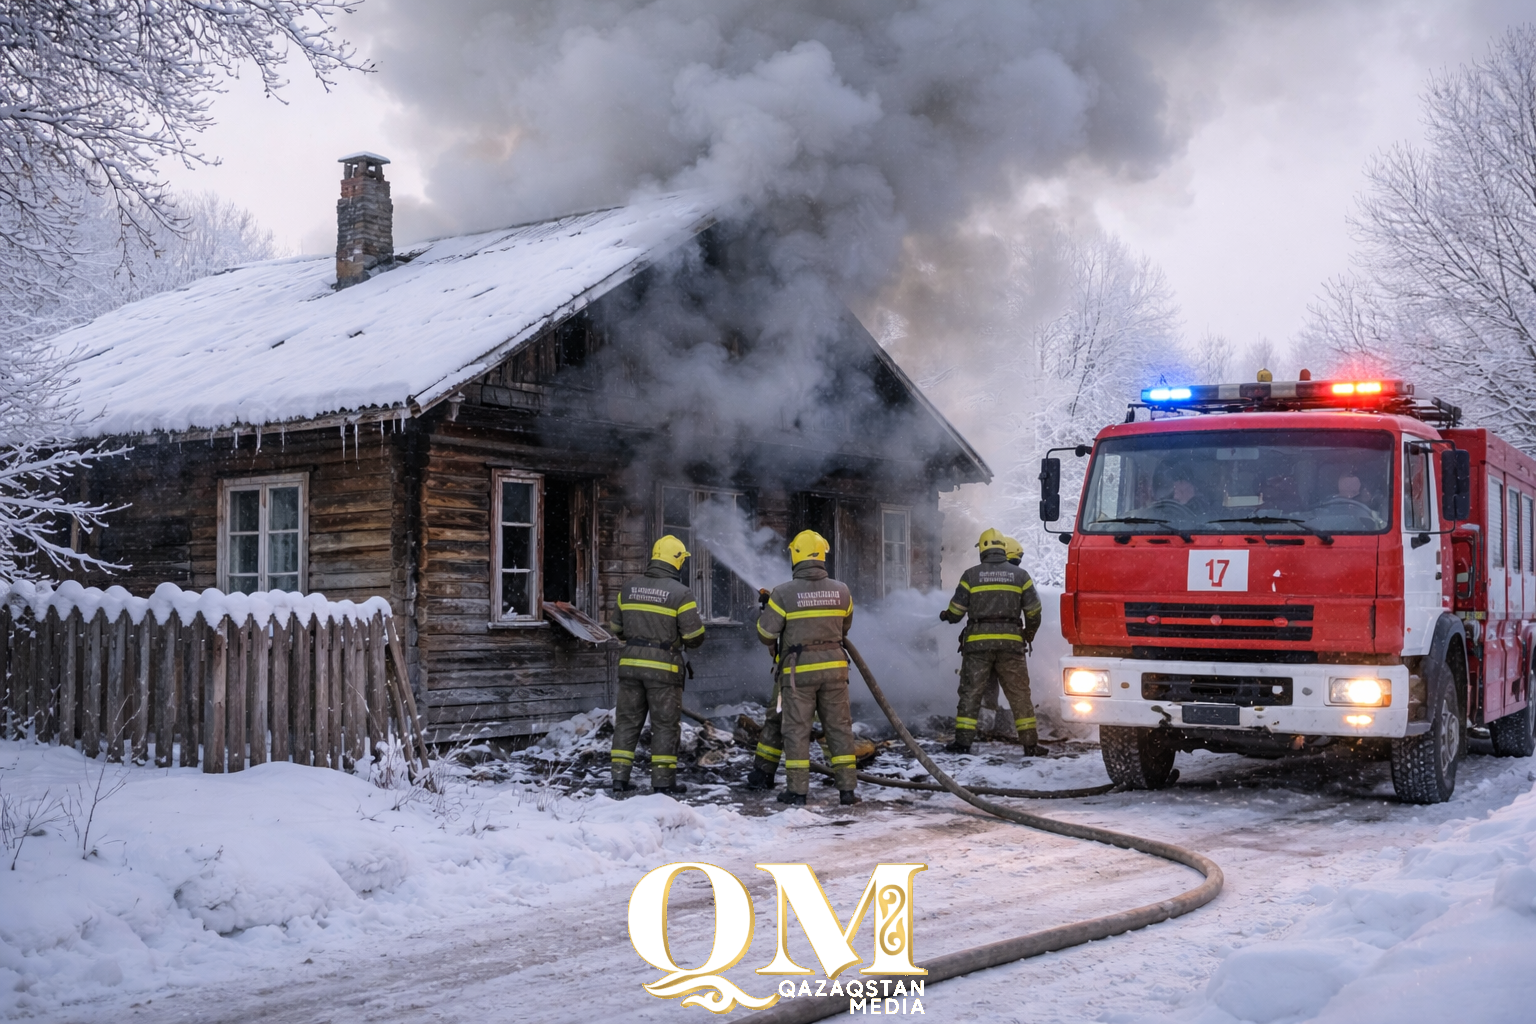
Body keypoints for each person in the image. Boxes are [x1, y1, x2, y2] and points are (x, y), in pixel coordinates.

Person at [756, 530, 859, 807]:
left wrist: (768, 610)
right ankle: (847, 790)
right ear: (822, 556)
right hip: (836, 670)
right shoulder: (842, 591)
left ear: (795, 555)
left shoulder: (782, 594)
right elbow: (844, 628)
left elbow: (766, 635)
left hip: (798, 673)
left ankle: (798, 792)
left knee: (797, 730)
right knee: (838, 728)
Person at [608, 535, 706, 795]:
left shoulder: (629, 588)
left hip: (630, 666)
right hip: (664, 670)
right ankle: (663, 783)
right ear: (676, 561)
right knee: (664, 724)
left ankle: (619, 779)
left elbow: (616, 628)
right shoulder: (681, 593)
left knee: (627, 721)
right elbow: (694, 638)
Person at [939, 527, 1044, 756]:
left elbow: (956, 612)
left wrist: (947, 615)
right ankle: (1030, 744)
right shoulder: (1021, 576)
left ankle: (963, 743)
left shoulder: (970, 575)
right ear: (1003, 549)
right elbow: (1034, 611)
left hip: (977, 647)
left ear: (983, 550)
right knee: (1019, 695)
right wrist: (1028, 634)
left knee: (971, 693)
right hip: (1011, 646)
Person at [744, 588, 785, 791]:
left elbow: (767, 635)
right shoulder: (833, 593)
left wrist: (769, 609)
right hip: (829, 675)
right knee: (831, 722)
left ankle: (763, 773)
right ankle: (846, 783)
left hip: (791, 675)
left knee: (777, 719)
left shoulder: (786, 596)